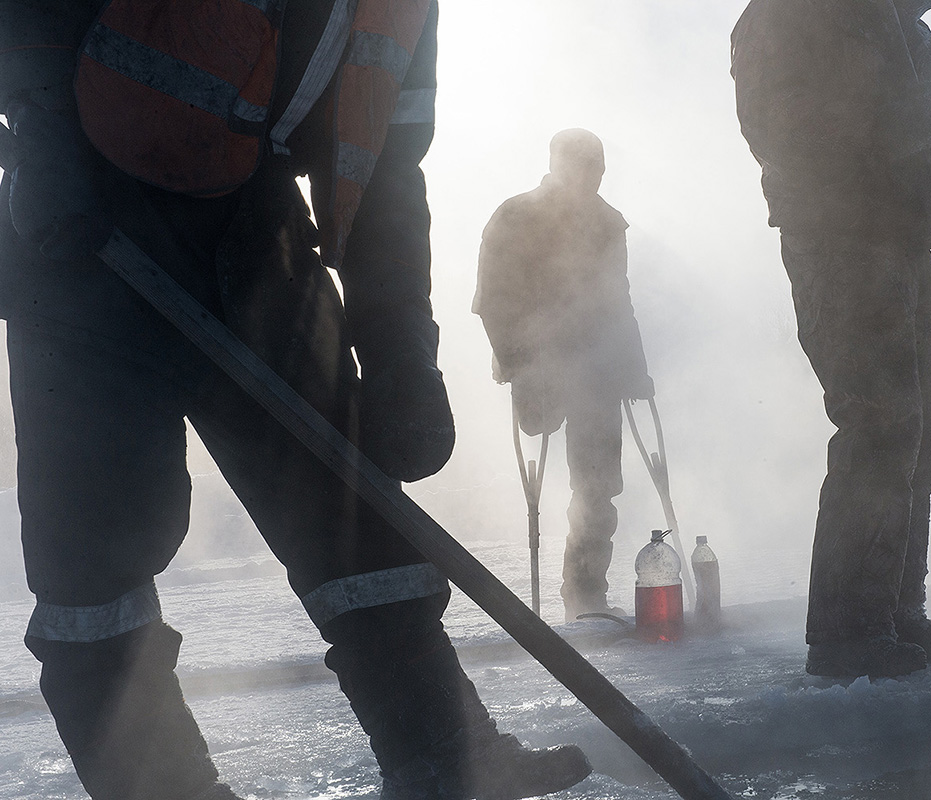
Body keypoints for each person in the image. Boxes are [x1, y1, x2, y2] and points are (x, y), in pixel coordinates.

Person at [0, 1, 590, 797]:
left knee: (351, 511)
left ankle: (450, 759)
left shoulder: (403, 11)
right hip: (88, 226)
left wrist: (399, 350)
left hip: (256, 226)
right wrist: (41, 129)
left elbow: (383, 168)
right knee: (95, 560)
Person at [730, 0, 931, 678]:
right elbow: (775, 129)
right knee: (879, 427)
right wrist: (883, 127)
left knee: (922, 439)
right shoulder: (789, 14)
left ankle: (895, 612)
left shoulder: (907, 30)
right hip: (838, 245)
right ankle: (849, 631)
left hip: (904, 250)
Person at [473, 129, 654, 623]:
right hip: (541, 360)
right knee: (570, 473)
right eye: (584, 167)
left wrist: (634, 370)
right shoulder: (516, 216)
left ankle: (585, 593)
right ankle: (579, 594)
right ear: (558, 165)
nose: (593, 178)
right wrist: (514, 359)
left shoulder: (606, 223)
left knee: (597, 483)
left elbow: (619, 300)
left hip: (596, 365)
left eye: (599, 169)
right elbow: (493, 300)